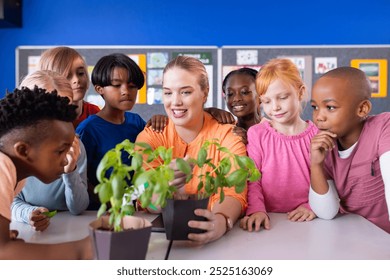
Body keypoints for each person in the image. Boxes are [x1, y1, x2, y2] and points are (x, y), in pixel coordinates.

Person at [136, 56, 247, 244]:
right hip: (163, 242)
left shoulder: (228, 135)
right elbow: (146, 200)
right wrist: (162, 186)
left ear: (205, 93)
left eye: (185, 92)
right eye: (168, 93)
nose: (175, 102)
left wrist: (221, 220)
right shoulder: (150, 137)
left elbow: (234, 192)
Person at [0, 87, 92, 259]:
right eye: (60, 151)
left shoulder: (17, 176)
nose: (66, 160)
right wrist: (81, 250)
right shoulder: (2, 169)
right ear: (23, 150)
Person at [240, 58, 318, 232]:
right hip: (268, 221)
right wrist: (256, 209)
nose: (274, 107)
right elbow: (253, 180)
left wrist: (313, 206)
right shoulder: (257, 134)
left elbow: (326, 179)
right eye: (266, 101)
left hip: (306, 222)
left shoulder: (317, 136)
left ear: (300, 92)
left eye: (282, 97)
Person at [309, 66, 390, 233]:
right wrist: (316, 165)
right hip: (349, 237)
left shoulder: (383, 127)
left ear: (362, 109)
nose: (319, 116)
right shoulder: (325, 146)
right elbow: (327, 212)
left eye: (330, 107)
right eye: (314, 107)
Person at [11, 70, 89, 231]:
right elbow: (8, 201)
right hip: (23, 230)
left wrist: (70, 171)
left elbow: (78, 207)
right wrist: (28, 213)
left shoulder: (75, 146)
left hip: (68, 229)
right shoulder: (11, 147)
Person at [76, 53, 147, 209]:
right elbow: (80, 180)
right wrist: (112, 205)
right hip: (101, 213)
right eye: (116, 85)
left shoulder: (137, 122)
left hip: (136, 209)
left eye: (132, 85)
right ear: (100, 89)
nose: (126, 91)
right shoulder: (88, 130)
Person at [38, 46, 100, 128]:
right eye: (67, 76)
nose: (76, 80)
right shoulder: (44, 119)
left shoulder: (94, 112)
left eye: (81, 73)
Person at [222, 67, 264, 143]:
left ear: (260, 95)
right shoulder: (226, 131)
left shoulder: (274, 130)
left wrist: (249, 141)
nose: (236, 98)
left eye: (244, 92)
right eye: (230, 94)